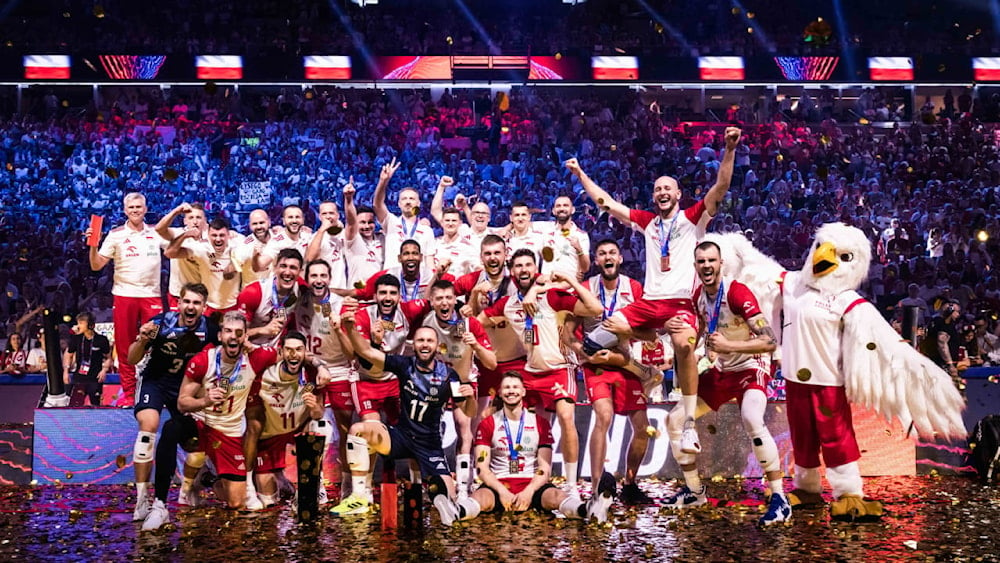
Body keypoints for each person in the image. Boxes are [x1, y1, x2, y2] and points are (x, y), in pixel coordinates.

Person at [565, 125, 742, 456]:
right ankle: (644, 367)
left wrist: (729, 149)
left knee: (683, 345)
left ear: (677, 195)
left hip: (679, 305)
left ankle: (688, 424)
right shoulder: (646, 222)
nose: (662, 192)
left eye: (668, 189)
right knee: (601, 334)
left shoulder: (693, 218)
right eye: (657, 188)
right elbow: (607, 203)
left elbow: (721, 186)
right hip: (648, 303)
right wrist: (579, 172)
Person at [663, 241, 790, 525]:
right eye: (701, 262)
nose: (706, 266)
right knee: (675, 420)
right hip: (722, 368)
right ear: (695, 267)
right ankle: (695, 491)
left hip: (750, 365)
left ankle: (780, 497)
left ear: (721, 264)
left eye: (711, 260)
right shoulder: (698, 297)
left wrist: (730, 345)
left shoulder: (737, 292)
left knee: (751, 417)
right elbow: (706, 335)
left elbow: (769, 341)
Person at [479, 248, 603, 496]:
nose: (523, 269)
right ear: (511, 271)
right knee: (495, 414)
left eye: (528, 265)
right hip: (530, 371)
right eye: (518, 266)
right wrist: (473, 301)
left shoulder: (552, 297)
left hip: (559, 368)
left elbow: (596, 308)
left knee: (566, 418)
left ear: (536, 270)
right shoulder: (508, 304)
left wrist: (570, 281)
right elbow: (477, 321)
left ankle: (570, 485)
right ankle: (496, 477)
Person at [340, 316, 474, 527]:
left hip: (429, 445)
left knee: (449, 501)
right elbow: (367, 353)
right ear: (414, 345)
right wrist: (350, 328)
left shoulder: (449, 375)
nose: (424, 345)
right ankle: (359, 496)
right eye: (420, 340)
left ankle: (443, 500)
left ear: (437, 346)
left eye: (429, 341)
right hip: (401, 437)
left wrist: (472, 397)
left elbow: (468, 410)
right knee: (358, 429)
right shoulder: (405, 365)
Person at [453, 372, 617, 523]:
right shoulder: (488, 423)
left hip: (531, 483)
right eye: (507, 388)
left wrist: (529, 492)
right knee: (481, 498)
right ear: (500, 393)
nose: (511, 391)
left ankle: (588, 509)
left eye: (515, 387)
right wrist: (502, 492)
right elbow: (482, 468)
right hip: (499, 484)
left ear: (524, 392)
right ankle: (456, 512)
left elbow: (544, 468)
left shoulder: (540, 423)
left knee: (555, 496)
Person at [330, 274, 430, 515]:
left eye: (392, 293)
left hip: (394, 382)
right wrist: (375, 342)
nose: (387, 298)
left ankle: (420, 489)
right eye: (382, 293)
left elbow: (433, 301)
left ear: (399, 296)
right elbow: (361, 359)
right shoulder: (363, 316)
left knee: (413, 430)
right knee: (370, 431)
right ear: (374, 296)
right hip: (366, 380)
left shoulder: (408, 310)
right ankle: (360, 495)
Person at [127, 283, 219, 531]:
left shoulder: (209, 329)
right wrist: (143, 339)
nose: (191, 307)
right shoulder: (160, 323)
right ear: (179, 303)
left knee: (193, 441)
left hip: (184, 388)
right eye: (187, 301)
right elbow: (131, 358)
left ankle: (187, 489)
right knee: (149, 426)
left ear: (204, 307)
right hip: (155, 382)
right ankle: (142, 499)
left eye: (196, 303)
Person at [570, 239, 653, 505]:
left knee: (642, 428)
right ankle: (596, 486)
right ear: (596, 261)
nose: (608, 257)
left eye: (612, 253)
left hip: (625, 362)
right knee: (603, 417)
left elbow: (648, 332)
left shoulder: (634, 288)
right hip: (595, 365)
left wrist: (623, 331)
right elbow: (568, 333)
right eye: (602, 253)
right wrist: (583, 353)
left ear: (619, 259)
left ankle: (629, 484)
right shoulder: (586, 288)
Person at [177, 311, 276, 516]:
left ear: (245, 337)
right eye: (228, 331)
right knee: (194, 447)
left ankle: (208, 478)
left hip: (229, 430)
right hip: (202, 422)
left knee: (235, 503)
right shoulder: (204, 360)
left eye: (239, 333)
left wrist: (320, 368)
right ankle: (186, 487)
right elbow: (182, 404)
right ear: (220, 335)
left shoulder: (256, 359)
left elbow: (290, 353)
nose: (233, 336)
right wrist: (205, 400)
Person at [89, 192, 168, 407]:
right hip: (124, 295)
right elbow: (96, 265)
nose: (135, 210)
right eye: (131, 207)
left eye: (138, 207)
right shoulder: (115, 235)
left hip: (151, 295)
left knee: (157, 343)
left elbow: (174, 250)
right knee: (125, 346)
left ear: (145, 209)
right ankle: (130, 393)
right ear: (125, 210)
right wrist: (93, 244)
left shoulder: (156, 232)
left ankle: (156, 389)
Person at [422, 279, 496, 498]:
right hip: (435, 381)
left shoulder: (469, 322)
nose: (444, 303)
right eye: (439, 299)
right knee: (427, 431)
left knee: (464, 427)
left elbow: (491, 362)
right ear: (432, 301)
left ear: (455, 300)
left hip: (462, 381)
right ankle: (431, 483)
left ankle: (463, 487)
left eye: (448, 298)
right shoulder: (426, 323)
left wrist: (475, 345)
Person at [292, 259, 357, 500]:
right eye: (314, 276)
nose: (318, 280)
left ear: (330, 278)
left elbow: (352, 354)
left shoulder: (341, 306)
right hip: (311, 369)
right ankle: (313, 485)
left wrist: (339, 329)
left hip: (340, 370)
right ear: (307, 279)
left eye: (323, 275)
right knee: (310, 426)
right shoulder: (299, 302)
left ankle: (348, 487)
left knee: (345, 429)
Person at [242, 330, 329, 508]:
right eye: (289, 350)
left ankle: (315, 483)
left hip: (296, 429)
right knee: (268, 501)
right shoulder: (264, 372)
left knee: (322, 427)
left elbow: (318, 414)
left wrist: (314, 406)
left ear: (306, 352)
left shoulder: (313, 375)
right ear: (280, 351)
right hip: (268, 436)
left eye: (298, 350)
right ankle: (255, 483)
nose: (293, 354)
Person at [165, 217, 241, 316]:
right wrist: (184, 236)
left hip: (233, 305)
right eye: (214, 235)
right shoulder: (201, 248)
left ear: (228, 235)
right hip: (208, 306)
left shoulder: (238, 246)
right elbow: (169, 253)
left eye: (222, 235)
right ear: (208, 235)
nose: (218, 239)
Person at [373, 157, 437, 270]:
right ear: (399, 203)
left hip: (419, 282)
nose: (408, 202)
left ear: (418, 203)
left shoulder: (427, 230)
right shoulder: (391, 222)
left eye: (412, 199)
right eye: (404, 199)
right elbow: (377, 204)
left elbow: (429, 262)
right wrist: (383, 181)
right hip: (392, 281)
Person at [237, 248, 304, 346]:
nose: (287, 272)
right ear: (274, 268)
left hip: (279, 351)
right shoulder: (253, 292)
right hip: (250, 349)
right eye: (283, 266)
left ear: (300, 272)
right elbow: (237, 335)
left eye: (293, 267)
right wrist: (261, 330)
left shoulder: (301, 290)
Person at [154, 202, 208, 310]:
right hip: (178, 294)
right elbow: (159, 229)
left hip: (204, 294)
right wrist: (176, 211)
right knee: (176, 326)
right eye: (191, 217)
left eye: (198, 217)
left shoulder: (212, 237)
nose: (195, 221)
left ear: (205, 220)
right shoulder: (177, 233)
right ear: (185, 221)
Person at [355, 240, 438, 303]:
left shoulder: (433, 275)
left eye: (415, 253)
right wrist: (346, 297)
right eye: (406, 254)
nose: (410, 257)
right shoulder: (387, 274)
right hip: (395, 323)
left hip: (424, 322)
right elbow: (361, 293)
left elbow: (450, 287)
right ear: (399, 258)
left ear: (421, 257)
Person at [63, 312, 112, 406]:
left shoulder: (101, 339)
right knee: (76, 404)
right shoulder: (76, 338)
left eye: (81, 323)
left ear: (90, 325)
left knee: (95, 403)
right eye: (78, 323)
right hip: (79, 377)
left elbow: (108, 358)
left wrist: (104, 370)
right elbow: (69, 355)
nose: (78, 326)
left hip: (95, 378)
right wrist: (66, 371)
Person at [342, 181, 385, 287]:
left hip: (379, 295)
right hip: (357, 297)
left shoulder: (382, 239)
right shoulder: (353, 240)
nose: (366, 226)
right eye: (362, 222)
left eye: (370, 222)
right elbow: (351, 221)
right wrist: (348, 199)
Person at [305, 200, 349, 291]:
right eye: (324, 214)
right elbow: (310, 258)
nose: (328, 216)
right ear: (320, 217)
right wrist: (322, 230)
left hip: (345, 289)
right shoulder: (316, 237)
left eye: (331, 213)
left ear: (338, 215)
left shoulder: (346, 234)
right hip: (324, 290)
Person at [255, 205, 313, 273]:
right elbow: (261, 265)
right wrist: (255, 256)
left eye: (297, 217)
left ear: (303, 220)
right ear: (283, 221)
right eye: (290, 217)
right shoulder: (277, 242)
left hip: (303, 281)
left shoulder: (308, 236)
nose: (294, 220)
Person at [233, 208, 273, 288]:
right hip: (252, 295)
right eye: (255, 224)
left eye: (262, 223)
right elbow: (233, 270)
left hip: (275, 295)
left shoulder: (278, 239)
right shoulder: (243, 246)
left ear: (269, 222)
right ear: (250, 225)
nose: (259, 227)